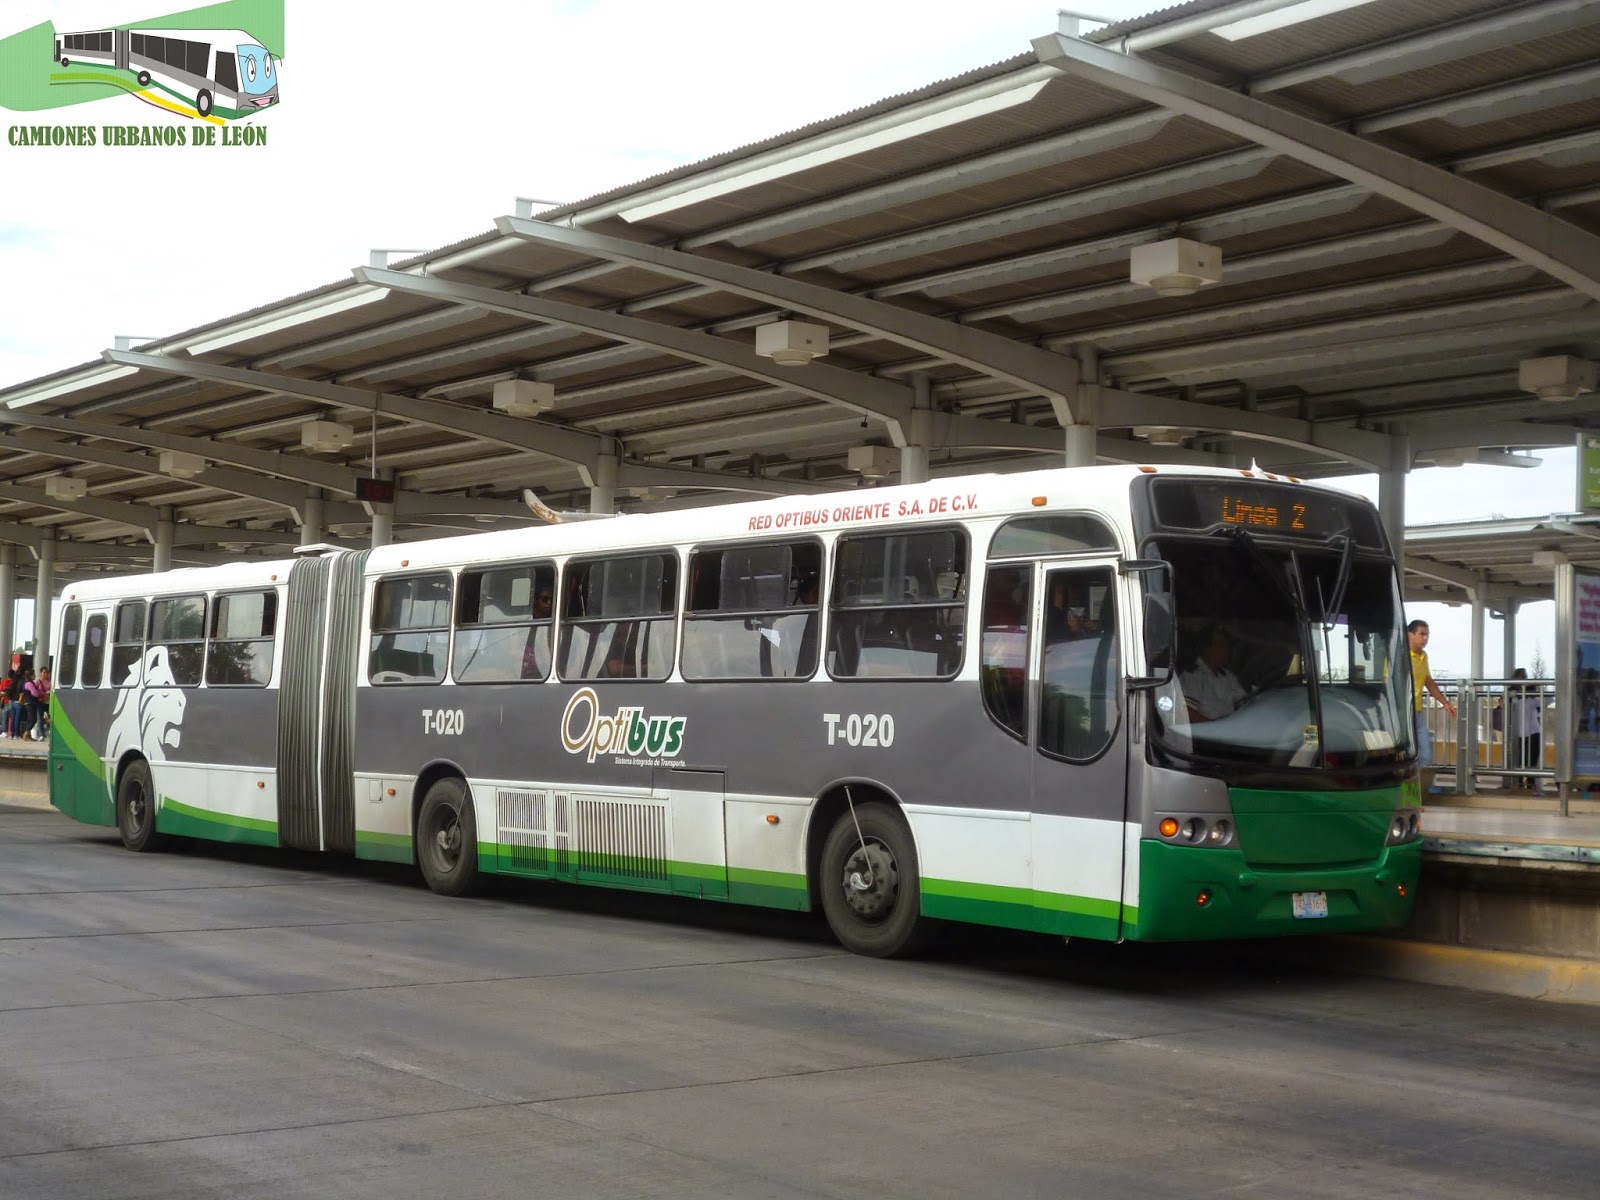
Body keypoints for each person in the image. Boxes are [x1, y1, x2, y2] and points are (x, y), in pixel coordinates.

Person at [1407, 619, 1456, 791]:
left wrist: (1445, 703)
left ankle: (1410, 789)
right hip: (1401, 714)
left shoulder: (1423, 656)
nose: (1426, 638)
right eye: (1422, 634)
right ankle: (1408, 793)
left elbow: (1428, 681)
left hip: (1417, 712)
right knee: (1407, 755)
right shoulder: (1401, 655)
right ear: (1410, 635)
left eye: (1427, 635)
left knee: (1425, 754)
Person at [1179, 625, 1246, 722]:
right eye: (1221, 645)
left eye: (1227, 646)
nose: (1227, 651)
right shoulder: (1193, 675)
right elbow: (1189, 712)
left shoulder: (1229, 677)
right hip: (1209, 734)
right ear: (1207, 648)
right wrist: (1215, 728)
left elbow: (1244, 703)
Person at [1510, 666, 1542, 791]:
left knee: (1532, 759)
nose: (1524, 679)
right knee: (1520, 758)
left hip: (1533, 731)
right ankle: (1520, 783)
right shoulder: (1513, 695)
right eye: (1522, 677)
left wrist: (1537, 691)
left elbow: (1546, 700)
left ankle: (1530, 783)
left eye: (1525, 677)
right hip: (1520, 732)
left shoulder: (1530, 695)